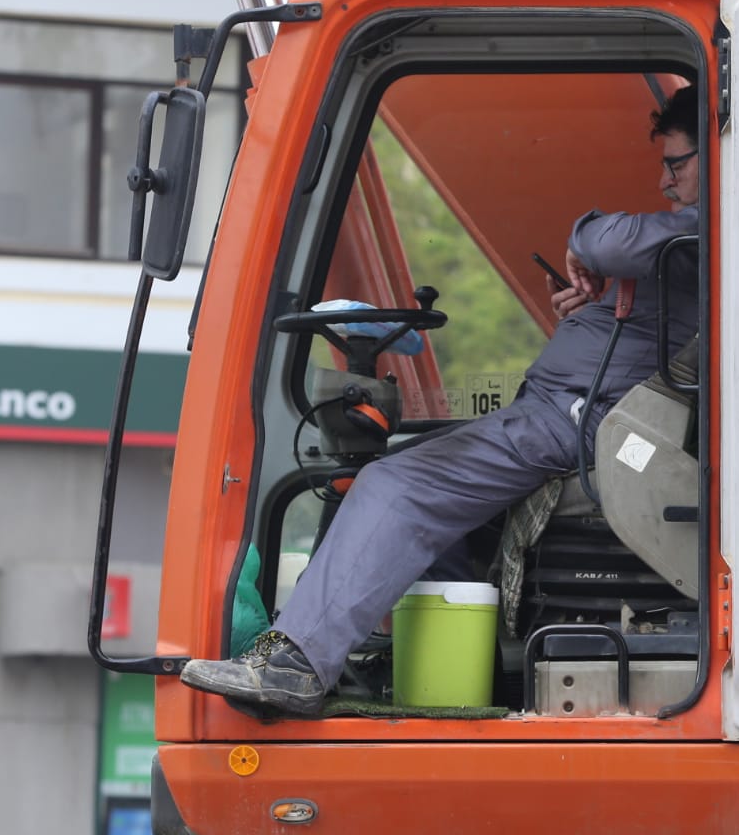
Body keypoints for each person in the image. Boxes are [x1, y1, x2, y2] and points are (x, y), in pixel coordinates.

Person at [181, 85, 703, 718]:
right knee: (431, 494)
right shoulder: (691, 247)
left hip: (575, 420)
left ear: (716, 154)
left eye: (676, 164)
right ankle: (438, 679)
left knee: (392, 484)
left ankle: (297, 662)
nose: (665, 181)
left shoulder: (705, 229)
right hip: (566, 409)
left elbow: (610, 242)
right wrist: (594, 310)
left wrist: (581, 235)